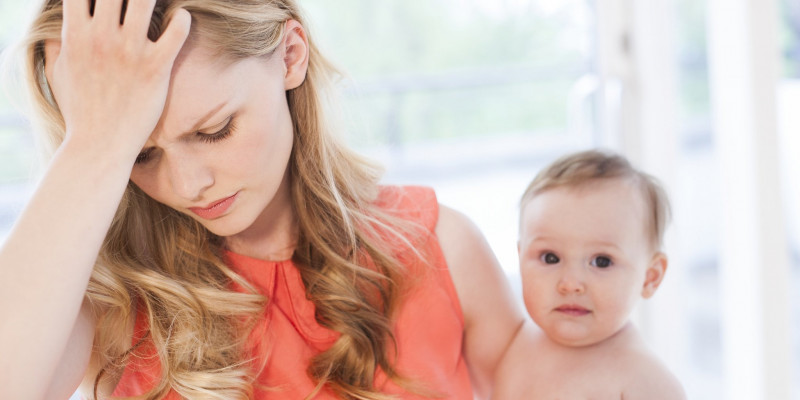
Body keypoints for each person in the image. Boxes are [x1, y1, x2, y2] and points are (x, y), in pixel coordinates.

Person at [0, 1, 526, 399]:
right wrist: (95, 142)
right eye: (140, 156)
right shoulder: (106, 299)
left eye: (215, 130)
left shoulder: (439, 246)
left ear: (290, 57)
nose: (187, 186)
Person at [493, 150, 686, 399]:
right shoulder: (513, 342)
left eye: (601, 262)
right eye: (550, 258)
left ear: (650, 277)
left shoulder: (645, 381)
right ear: (520, 259)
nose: (571, 284)